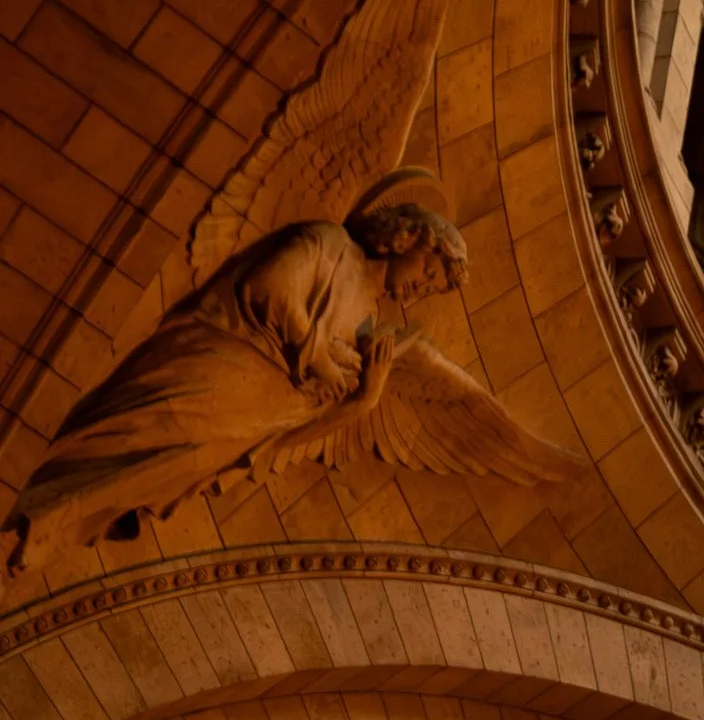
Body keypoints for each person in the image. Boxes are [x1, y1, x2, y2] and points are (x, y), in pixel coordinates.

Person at [2, 175, 469, 573]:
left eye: (433, 288)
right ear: (408, 236)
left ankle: (45, 525)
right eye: (430, 269)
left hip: (253, 420)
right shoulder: (332, 245)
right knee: (124, 431)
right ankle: (28, 497)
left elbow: (293, 438)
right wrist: (321, 358)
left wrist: (363, 401)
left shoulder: (368, 332)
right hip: (220, 362)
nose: (423, 286)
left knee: (152, 474)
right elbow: (267, 286)